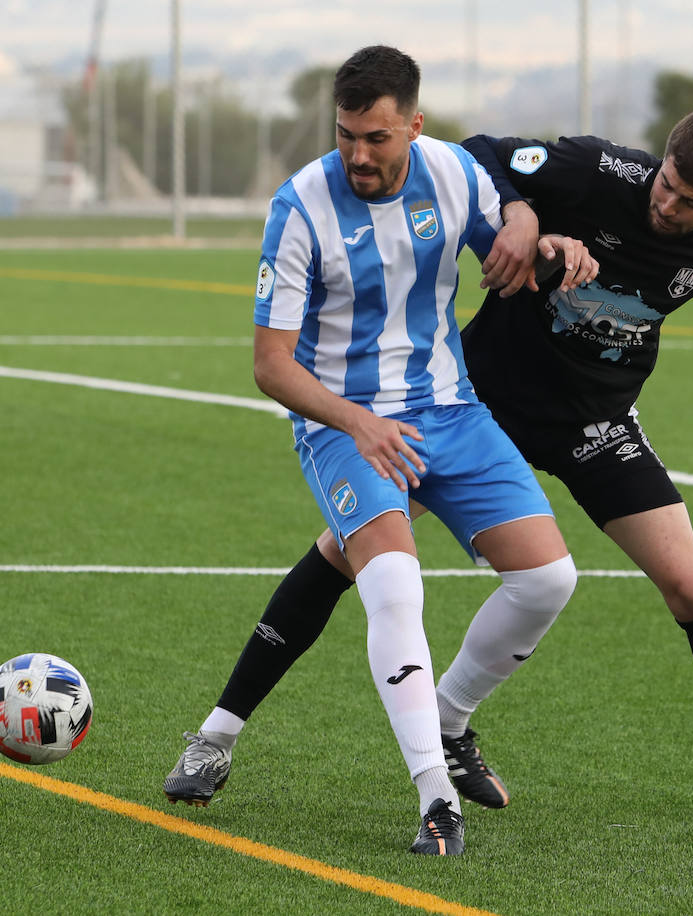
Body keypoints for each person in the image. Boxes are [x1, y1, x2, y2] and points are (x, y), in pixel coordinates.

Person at [170, 107, 693, 827]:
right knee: (347, 552)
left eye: (690, 203)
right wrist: (524, 215)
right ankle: (216, 736)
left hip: (595, 421)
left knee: (689, 586)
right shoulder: (598, 171)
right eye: (668, 185)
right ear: (661, 163)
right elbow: (479, 153)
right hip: (479, 404)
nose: (668, 205)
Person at [164, 45, 597, 857]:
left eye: (377, 138)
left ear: (415, 128)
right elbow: (270, 365)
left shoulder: (450, 170)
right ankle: (437, 797)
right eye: (345, 136)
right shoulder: (300, 208)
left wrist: (543, 239)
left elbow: (509, 215)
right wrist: (358, 424)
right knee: (392, 585)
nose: (359, 155)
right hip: (341, 422)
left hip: (450, 412)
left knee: (547, 579)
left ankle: (444, 720)